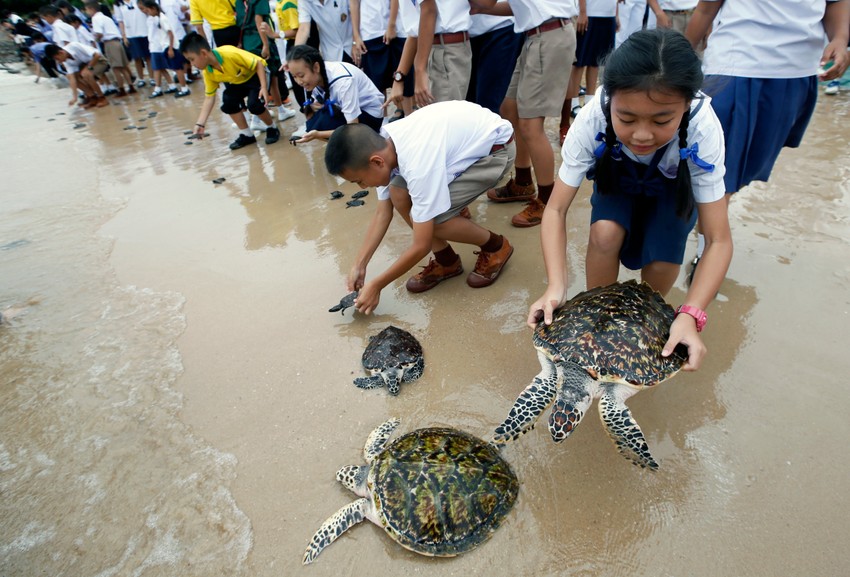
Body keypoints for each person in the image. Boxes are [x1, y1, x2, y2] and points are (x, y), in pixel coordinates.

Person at [529, 28, 732, 371]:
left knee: (664, 260)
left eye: (662, 120)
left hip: (673, 189)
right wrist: (556, 285)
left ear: (687, 104)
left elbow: (718, 239)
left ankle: (645, 326)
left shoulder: (704, 127)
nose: (641, 134)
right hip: (617, 178)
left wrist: (691, 314)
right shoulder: (594, 114)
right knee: (605, 232)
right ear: (612, 100)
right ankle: (598, 316)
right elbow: (556, 209)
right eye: (626, 118)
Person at [684, 0, 849, 273]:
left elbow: (836, 2)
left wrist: (841, 40)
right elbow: (706, 8)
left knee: (738, 173)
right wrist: (673, 61)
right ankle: (706, 256)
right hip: (737, 67)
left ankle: (707, 240)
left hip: (796, 73)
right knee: (717, 172)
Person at [324, 100, 517, 314]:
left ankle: (496, 247)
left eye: (359, 180)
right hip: (463, 145)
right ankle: (447, 261)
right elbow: (383, 212)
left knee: (432, 219)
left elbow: (421, 244)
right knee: (398, 193)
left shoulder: (418, 163)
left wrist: (377, 285)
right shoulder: (385, 145)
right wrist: (359, 264)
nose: (363, 186)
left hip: (496, 151)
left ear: (377, 162)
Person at [470, 0, 578, 228]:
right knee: (510, 108)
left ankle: (547, 201)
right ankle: (523, 182)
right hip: (537, 36)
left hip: (548, 36)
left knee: (531, 125)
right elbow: (516, 6)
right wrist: (482, 8)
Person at [179, 31, 281, 149]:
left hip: (257, 74)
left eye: (192, 59)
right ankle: (247, 134)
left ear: (203, 53)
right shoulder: (208, 72)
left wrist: (263, 87)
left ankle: (272, 127)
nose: (192, 64)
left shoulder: (228, 53)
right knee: (228, 101)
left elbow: (258, 64)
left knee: (254, 104)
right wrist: (200, 124)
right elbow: (209, 97)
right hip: (238, 81)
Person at [286, 44, 384, 143]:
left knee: (324, 125)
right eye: (294, 77)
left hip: (370, 115)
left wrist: (318, 135)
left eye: (301, 75)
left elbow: (353, 127)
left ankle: (364, 142)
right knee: (315, 122)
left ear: (316, 67)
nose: (299, 81)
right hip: (352, 111)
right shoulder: (317, 75)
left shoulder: (343, 82)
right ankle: (343, 143)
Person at [559, 0, 618, 145]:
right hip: (590, 13)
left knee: (596, 61)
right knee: (579, 61)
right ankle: (573, 104)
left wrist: (616, 15)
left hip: (607, 14)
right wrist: (582, 12)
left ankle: (590, 101)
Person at [139, 0, 191, 97]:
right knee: (176, 68)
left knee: (178, 69)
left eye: (148, 10)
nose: (148, 13)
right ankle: (182, 88)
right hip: (167, 46)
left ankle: (184, 88)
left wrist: (170, 48)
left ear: (154, 8)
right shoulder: (158, 18)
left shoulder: (162, 18)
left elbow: (170, 34)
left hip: (171, 47)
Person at [84, 0, 136, 96]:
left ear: (91, 9)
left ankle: (122, 89)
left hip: (109, 43)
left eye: (86, 9)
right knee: (123, 67)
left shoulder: (95, 19)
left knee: (116, 68)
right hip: (117, 42)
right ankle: (131, 86)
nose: (86, 12)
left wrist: (95, 39)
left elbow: (99, 33)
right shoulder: (106, 17)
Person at [45, 41, 112, 108]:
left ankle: (102, 97)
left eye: (57, 59)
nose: (59, 61)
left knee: (86, 74)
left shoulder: (74, 46)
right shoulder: (66, 61)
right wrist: (75, 97)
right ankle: (92, 97)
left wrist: (89, 67)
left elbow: (97, 55)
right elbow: (72, 78)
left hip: (99, 60)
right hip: (85, 65)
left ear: (61, 52)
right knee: (70, 77)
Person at [114, 0, 154, 87]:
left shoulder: (138, 1)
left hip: (145, 32)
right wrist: (124, 36)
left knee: (148, 57)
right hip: (131, 35)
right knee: (137, 58)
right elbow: (120, 21)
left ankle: (152, 78)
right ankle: (141, 79)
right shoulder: (118, 4)